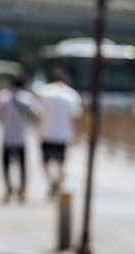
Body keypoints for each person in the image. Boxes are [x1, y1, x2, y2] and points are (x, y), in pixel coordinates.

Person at [0, 75, 42, 203]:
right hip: (21, 138)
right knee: (22, 167)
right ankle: (22, 190)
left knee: (6, 165)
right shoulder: (28, 98)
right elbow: (37, 115)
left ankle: (9, 187)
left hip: (7, 137)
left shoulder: (3, 97)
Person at [35, 68, 84, 199]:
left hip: (46, 133)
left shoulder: (44, 92)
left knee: (45, 162)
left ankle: (52, 181)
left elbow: (38, 113)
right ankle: (59, 184)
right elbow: (75, 118)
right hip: (63, 135)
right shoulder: (72, 94)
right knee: (61, 163)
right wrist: (76, 136)